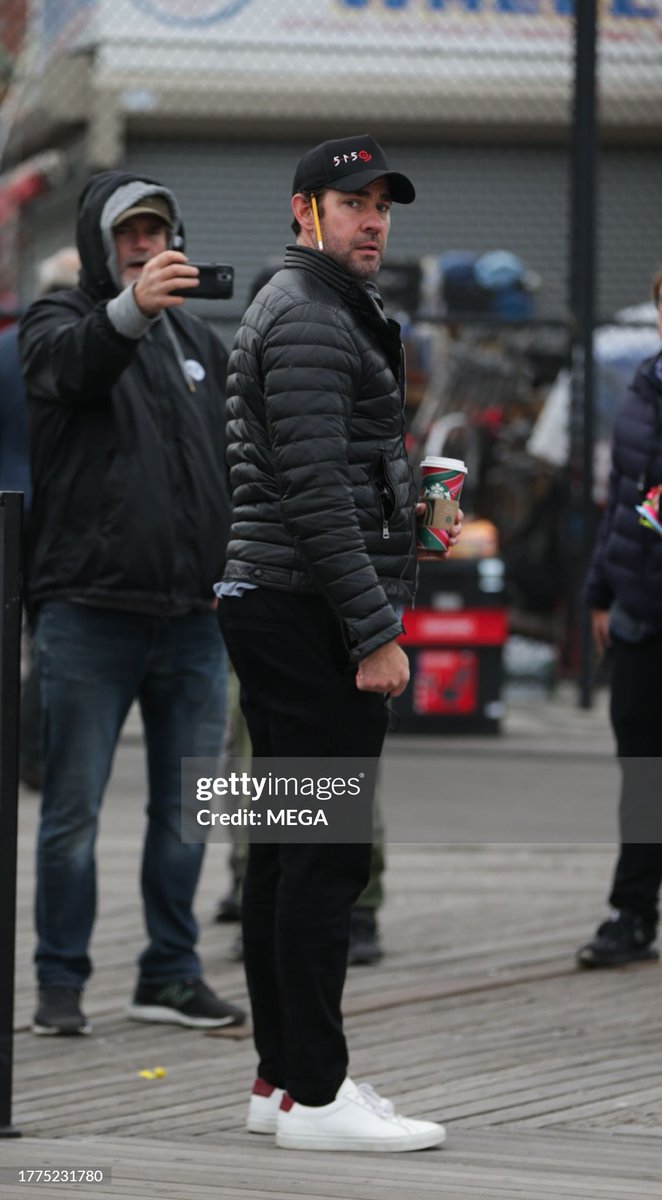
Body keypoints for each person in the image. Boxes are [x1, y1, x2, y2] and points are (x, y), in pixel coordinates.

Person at [218, 134, 459, 1152]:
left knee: (283, 847)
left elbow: (325, 473)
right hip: (307, 609)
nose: (372, 221)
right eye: (351, 202)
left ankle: (282, 1082)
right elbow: (312, 489)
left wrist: (411, 510)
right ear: (301, 210)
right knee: (322, 854)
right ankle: (319, 1097)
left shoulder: (315, 308)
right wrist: (375, 628)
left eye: (381, 205)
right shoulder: (311, 317)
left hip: (278, 598)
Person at [20, 171, 245, 1036]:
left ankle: (170, 974)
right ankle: (61, 981)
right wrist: (134, 309)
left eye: (158, 231)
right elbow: (70, 371)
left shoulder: (198, 340)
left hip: (193, 617)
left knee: (191, 810)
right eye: (128, 234)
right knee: (71, 814)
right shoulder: (55, 320)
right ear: (98, 245)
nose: (146, 248)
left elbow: (238, 458)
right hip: (89, 610)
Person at [579, 267, 662, 969]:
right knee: (642, 773)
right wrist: (602, 590)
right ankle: (631, 912)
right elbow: (624, 501)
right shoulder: (643, 389)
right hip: (640, 613)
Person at [0, 248, 81, 791]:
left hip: (11, 510)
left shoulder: (6, 346)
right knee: (52, 635)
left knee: (21, 634)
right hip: (59, 511)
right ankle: (31, 749)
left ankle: (23, 746)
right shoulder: (78, 347)